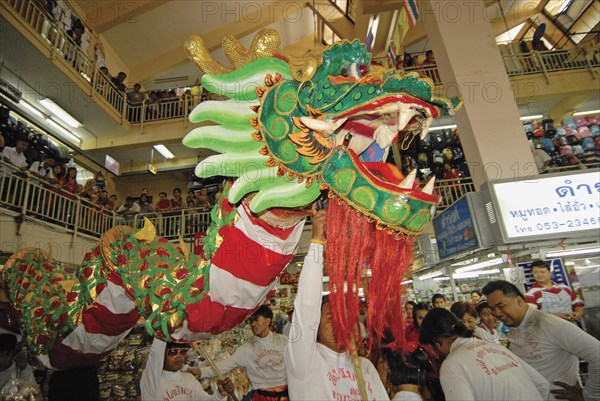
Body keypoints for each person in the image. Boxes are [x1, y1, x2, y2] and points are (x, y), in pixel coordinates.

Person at [285, 205, 389, 400]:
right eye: (331, 317)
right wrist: (316, 242)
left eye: (344, 318)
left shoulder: (365, 366)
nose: (338, 323)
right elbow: (307, 305)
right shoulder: (305, 361)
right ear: (316, 328)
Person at [482, 280, 600, 401]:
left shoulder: (549, 324)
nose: (496, 313)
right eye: (492, 308)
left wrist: (589, 396)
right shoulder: (516, 325)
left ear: (519, 300)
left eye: (501, 306)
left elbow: (597, 354)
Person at [419, 308, 550, 401]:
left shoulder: (451, 365)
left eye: (432, 347)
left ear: (437, 341)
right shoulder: (496, 347)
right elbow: (543, 385)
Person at [198, 305, 289, 401]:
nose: (253, 324)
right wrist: (201, 372)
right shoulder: (246, 349)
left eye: (256, 320)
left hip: (285, 395)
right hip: (262, 397)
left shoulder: (284, 341)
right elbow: (224, 365)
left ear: (267, 321)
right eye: (251, 321)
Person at [140, 338, 233, 401]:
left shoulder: (189, 379)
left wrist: (220, 395)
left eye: (183, 351)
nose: (179, 356)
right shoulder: (152, 382)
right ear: (162, 355)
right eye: (173, 352)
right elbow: (156, 352)